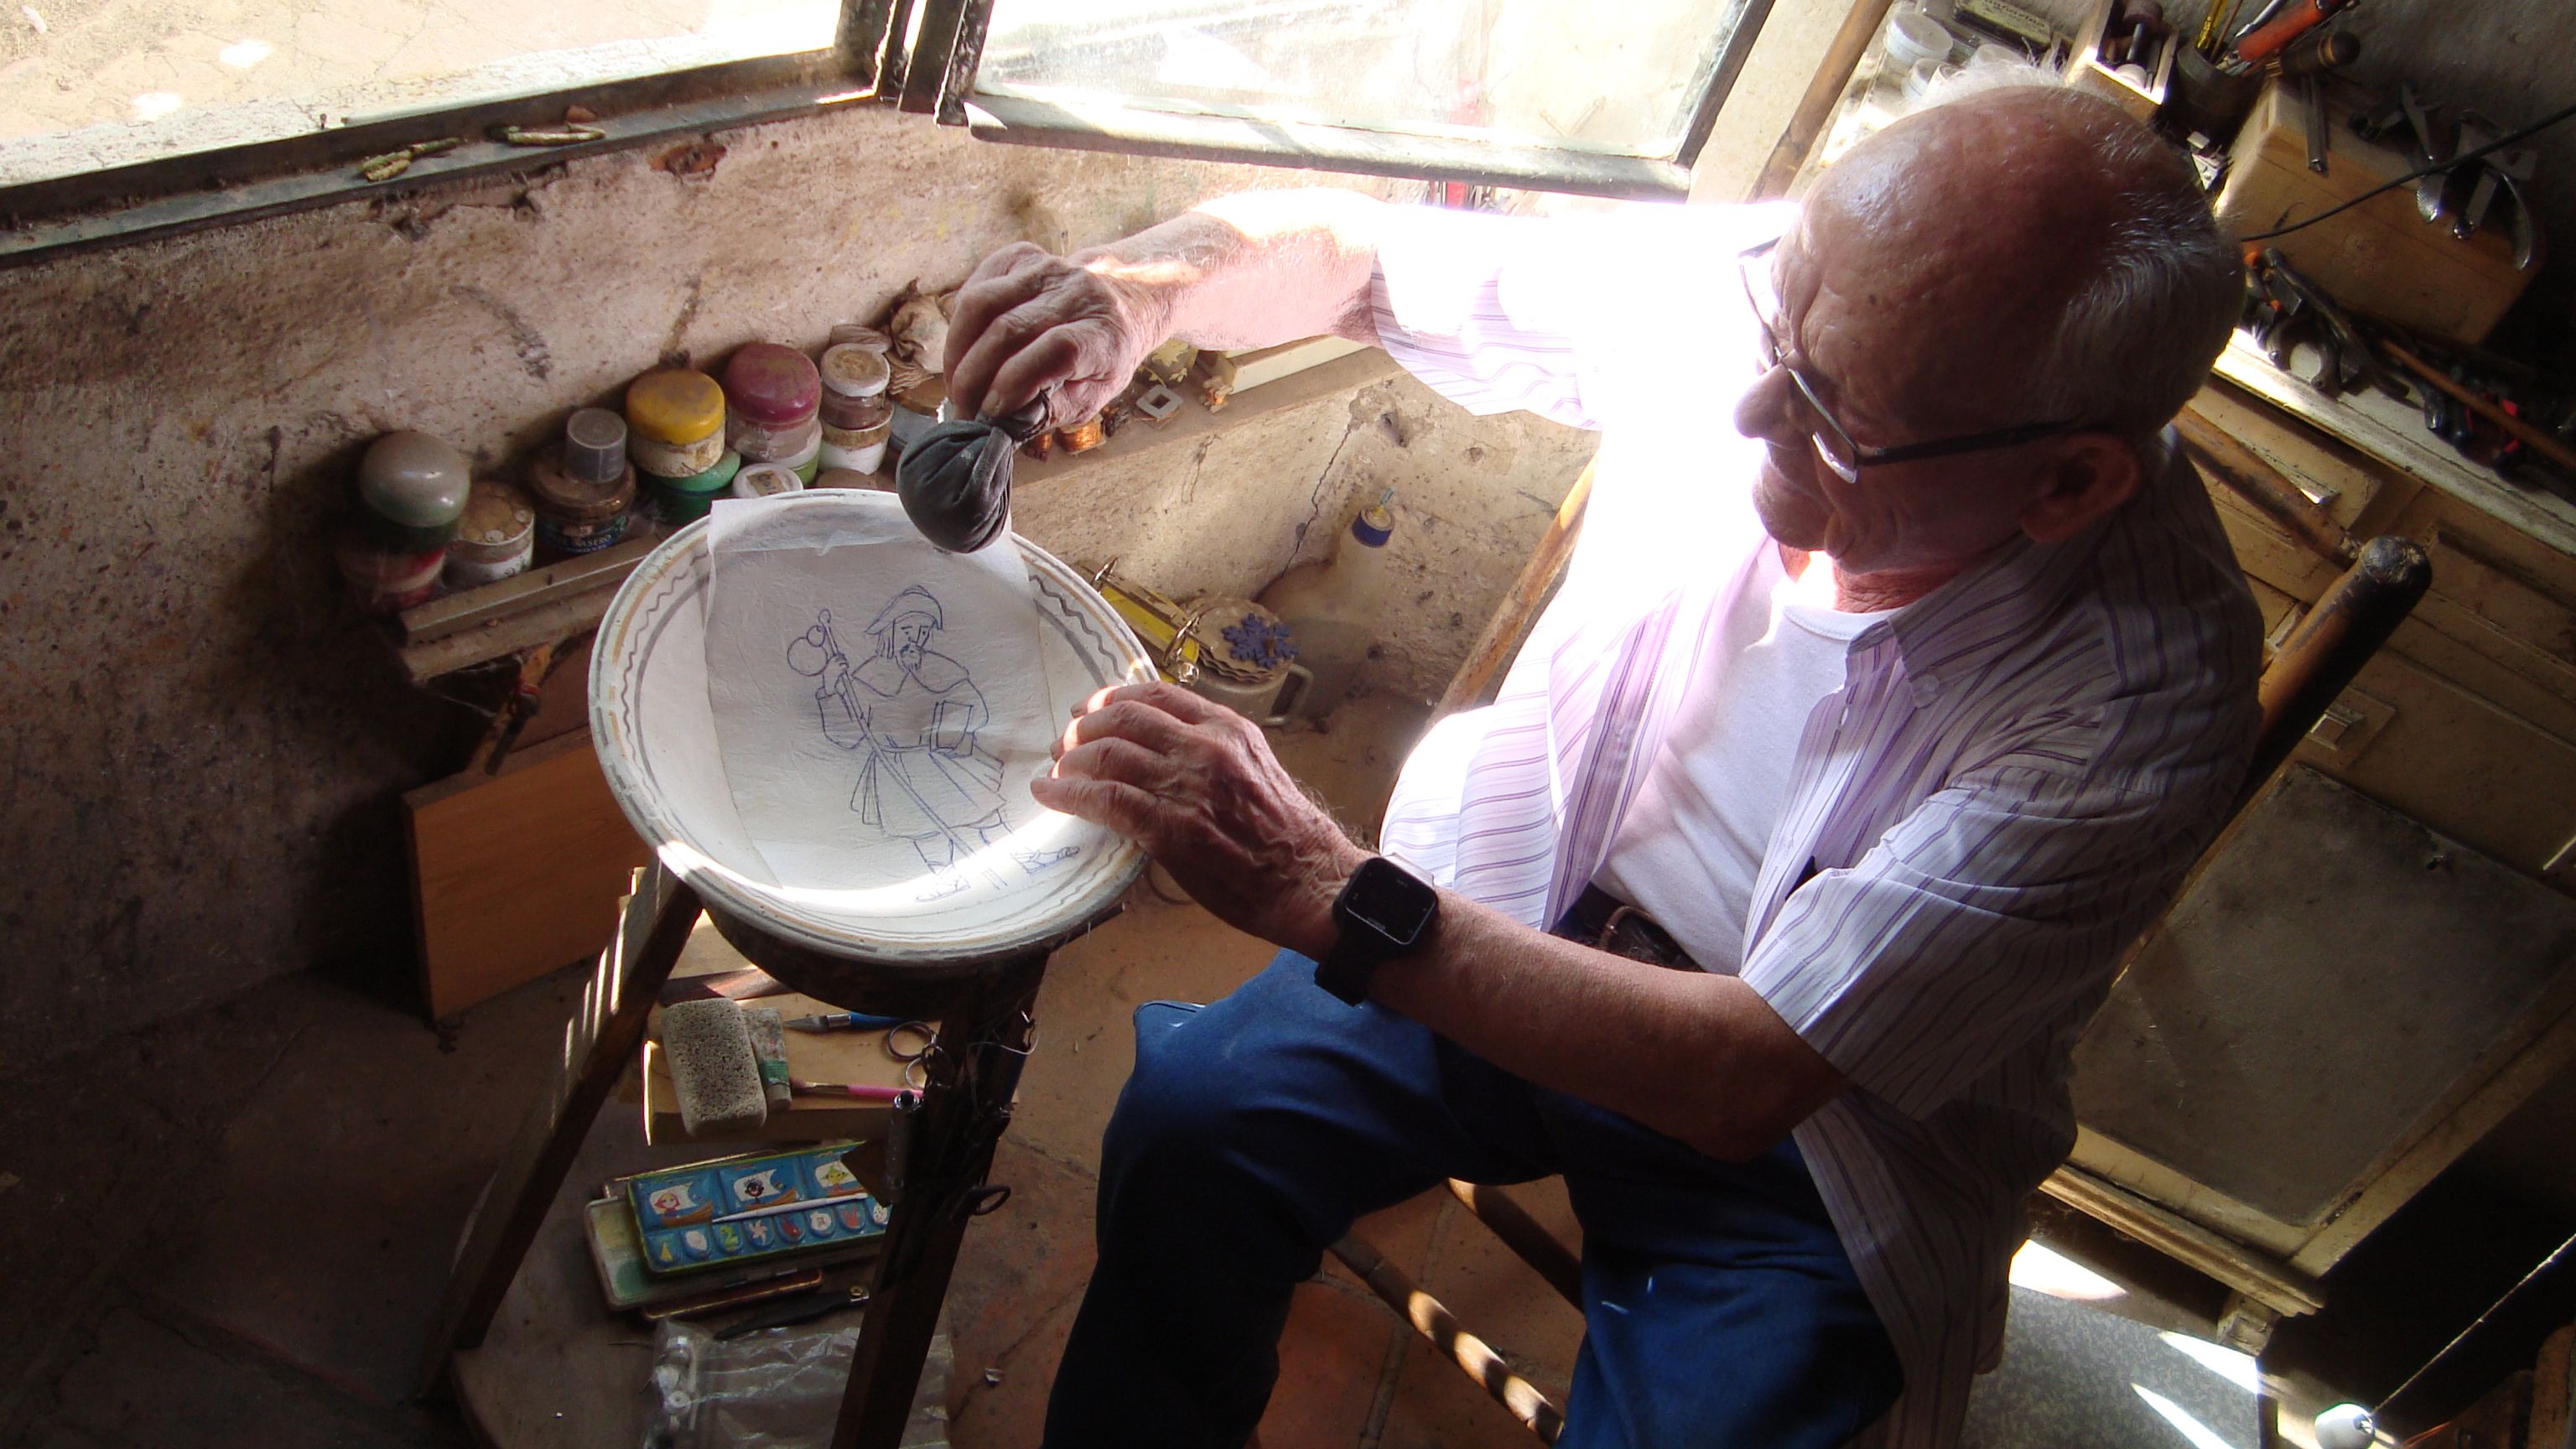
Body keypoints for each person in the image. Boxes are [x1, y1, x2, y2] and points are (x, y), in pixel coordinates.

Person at [942, 77, 2262, 1449]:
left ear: (2068, 483)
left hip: (1814, 1131)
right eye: (1778, 329)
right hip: (1518, 897)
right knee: (1196, 1127)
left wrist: (1320, 884)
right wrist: (1139, 294)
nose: (1748, 406)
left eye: (1829, 413)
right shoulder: (1786, 302)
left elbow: (1747, 1076)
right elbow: (1365, 258)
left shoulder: (2139, 700)